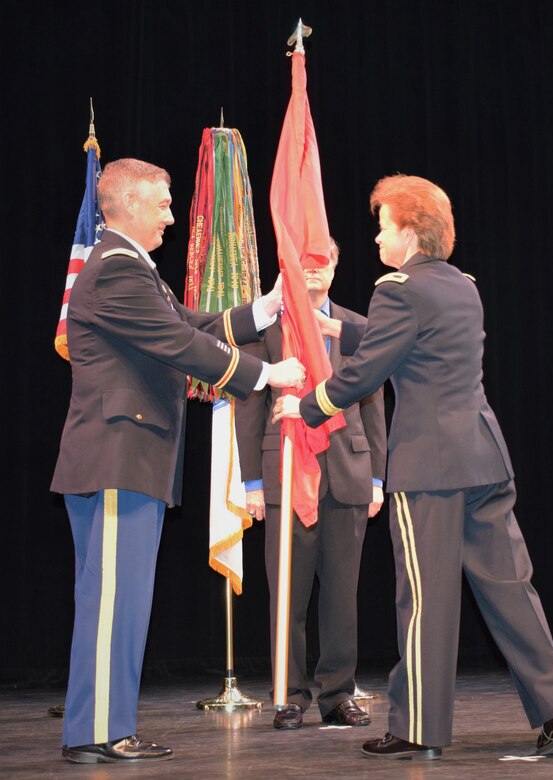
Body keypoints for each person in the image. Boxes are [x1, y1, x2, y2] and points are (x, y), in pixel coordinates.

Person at [273, 174, 553, 760]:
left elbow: (366, 373)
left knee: (424, 598)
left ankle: (418, 725)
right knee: (513, 590)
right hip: (483, 457)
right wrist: (346, 327)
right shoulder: (463, 285)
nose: (376, 239)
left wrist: (307, 405)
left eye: (383, 226)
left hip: (430, 469)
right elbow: (423, 340)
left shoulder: (396, 289)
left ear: (410, 233)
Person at [51, 158, 305, 764]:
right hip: (117, 458)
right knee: (114, 601)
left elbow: (194, 323)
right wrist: (267, 373)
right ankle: (95, 733)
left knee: (124, 600)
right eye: (165, 203)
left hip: (130, 458)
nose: (172, 214)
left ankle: (106, 727)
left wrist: (265, 309)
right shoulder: (115, 270)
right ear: (130, 205)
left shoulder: (133, 270)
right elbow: (180, 343)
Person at [234, 239, 387, 730]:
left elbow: (374, 403)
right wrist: (253, 481)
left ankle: (338, 693)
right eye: (306, 264)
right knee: (288, 594)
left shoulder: (356, 327)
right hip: (285, 474)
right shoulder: (269, 326)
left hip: (347, 473)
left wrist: (378, 477)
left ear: (337, 268)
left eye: (324, 264)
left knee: (343, 595)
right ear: (291, 270)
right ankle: (290, 695)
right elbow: (250, 404)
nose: (315, 272)